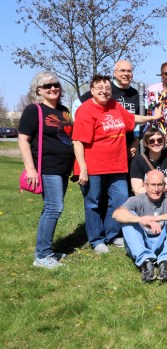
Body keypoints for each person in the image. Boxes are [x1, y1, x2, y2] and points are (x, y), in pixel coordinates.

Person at [73, 74, 162, 254]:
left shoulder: (115, 106)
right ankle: (96, 239)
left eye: (107, 88)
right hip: (94, 167)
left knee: (120, 199)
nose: (104, 92)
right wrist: (82, 168)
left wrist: (153, 118)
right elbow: (78, 141)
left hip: (117, 165)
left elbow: (132, 119)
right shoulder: (85, 110)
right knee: (93, 203)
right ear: (92, 91)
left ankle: (111, 234)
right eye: (100, 88)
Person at [18, 71, 74, 269]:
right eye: (47, 86)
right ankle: (42, 256)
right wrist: (30, 168)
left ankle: (46, 249)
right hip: (47, 168)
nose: (53, 88)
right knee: (54, 208)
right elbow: (23, 139)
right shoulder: (34, 110)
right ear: (38, 90)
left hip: (63, 168)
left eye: (56, 84)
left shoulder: (64, 110)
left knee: (51, 208)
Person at [112, 170, 167, 282]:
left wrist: (157, 218)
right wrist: (141, 219)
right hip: (141, 243)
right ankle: (145, 263)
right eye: (152, 185)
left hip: (163, 243)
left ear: (164, 186)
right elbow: (117, 214)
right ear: (145, 185)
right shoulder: (136, 199)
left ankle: (165, 263)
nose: (156, 189)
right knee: (128, 216)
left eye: (160, 185)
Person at [72, 59, 141, 158]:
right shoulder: (105, 88)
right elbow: (76, 104)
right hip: (101, 150)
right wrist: (82, 128)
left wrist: (136, 141)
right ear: (115, 73)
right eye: (122, 70)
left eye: (129, 71)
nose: (126, 74)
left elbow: (135, 121)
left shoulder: (135, 94)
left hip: (127, 150)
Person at [130, 127, 167, 197]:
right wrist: (164, 181)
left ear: (163, 141)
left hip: (164, 197)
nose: (156, 143)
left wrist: (151, 186)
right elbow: (138, 191)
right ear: (146, 143)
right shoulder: (138, 160)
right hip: (146, 199)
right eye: (152, 141)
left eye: (159, 140)